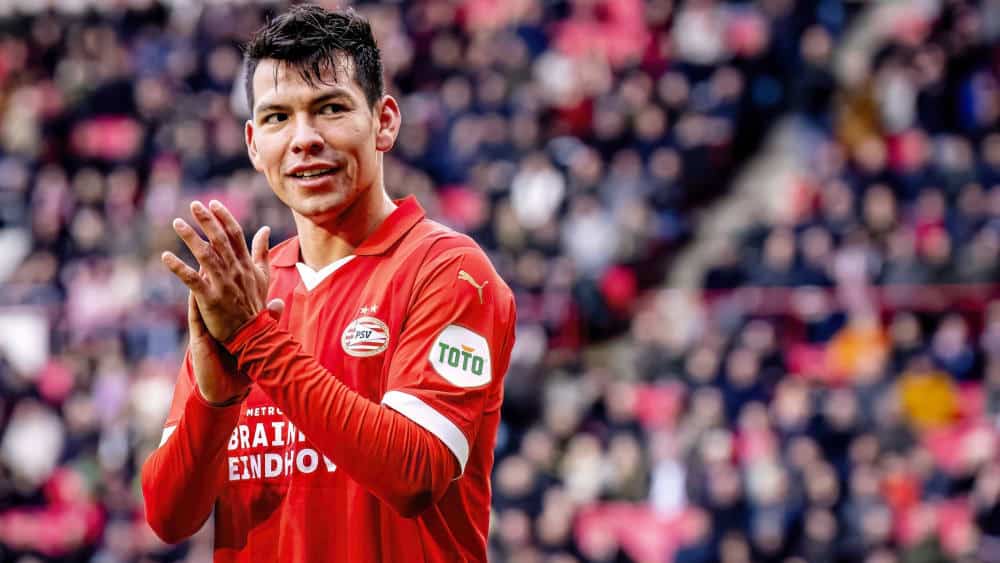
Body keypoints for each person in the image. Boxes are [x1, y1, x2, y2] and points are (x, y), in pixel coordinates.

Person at [140, 6, 516, 562]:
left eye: (331, 108)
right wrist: (214, 402)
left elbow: (414, 475)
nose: (304, 139)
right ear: (253, 143)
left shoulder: (450, 271)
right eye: (277, 117)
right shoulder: (248, 291)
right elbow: (169, 516)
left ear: (384, 121)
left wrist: (254, 341)